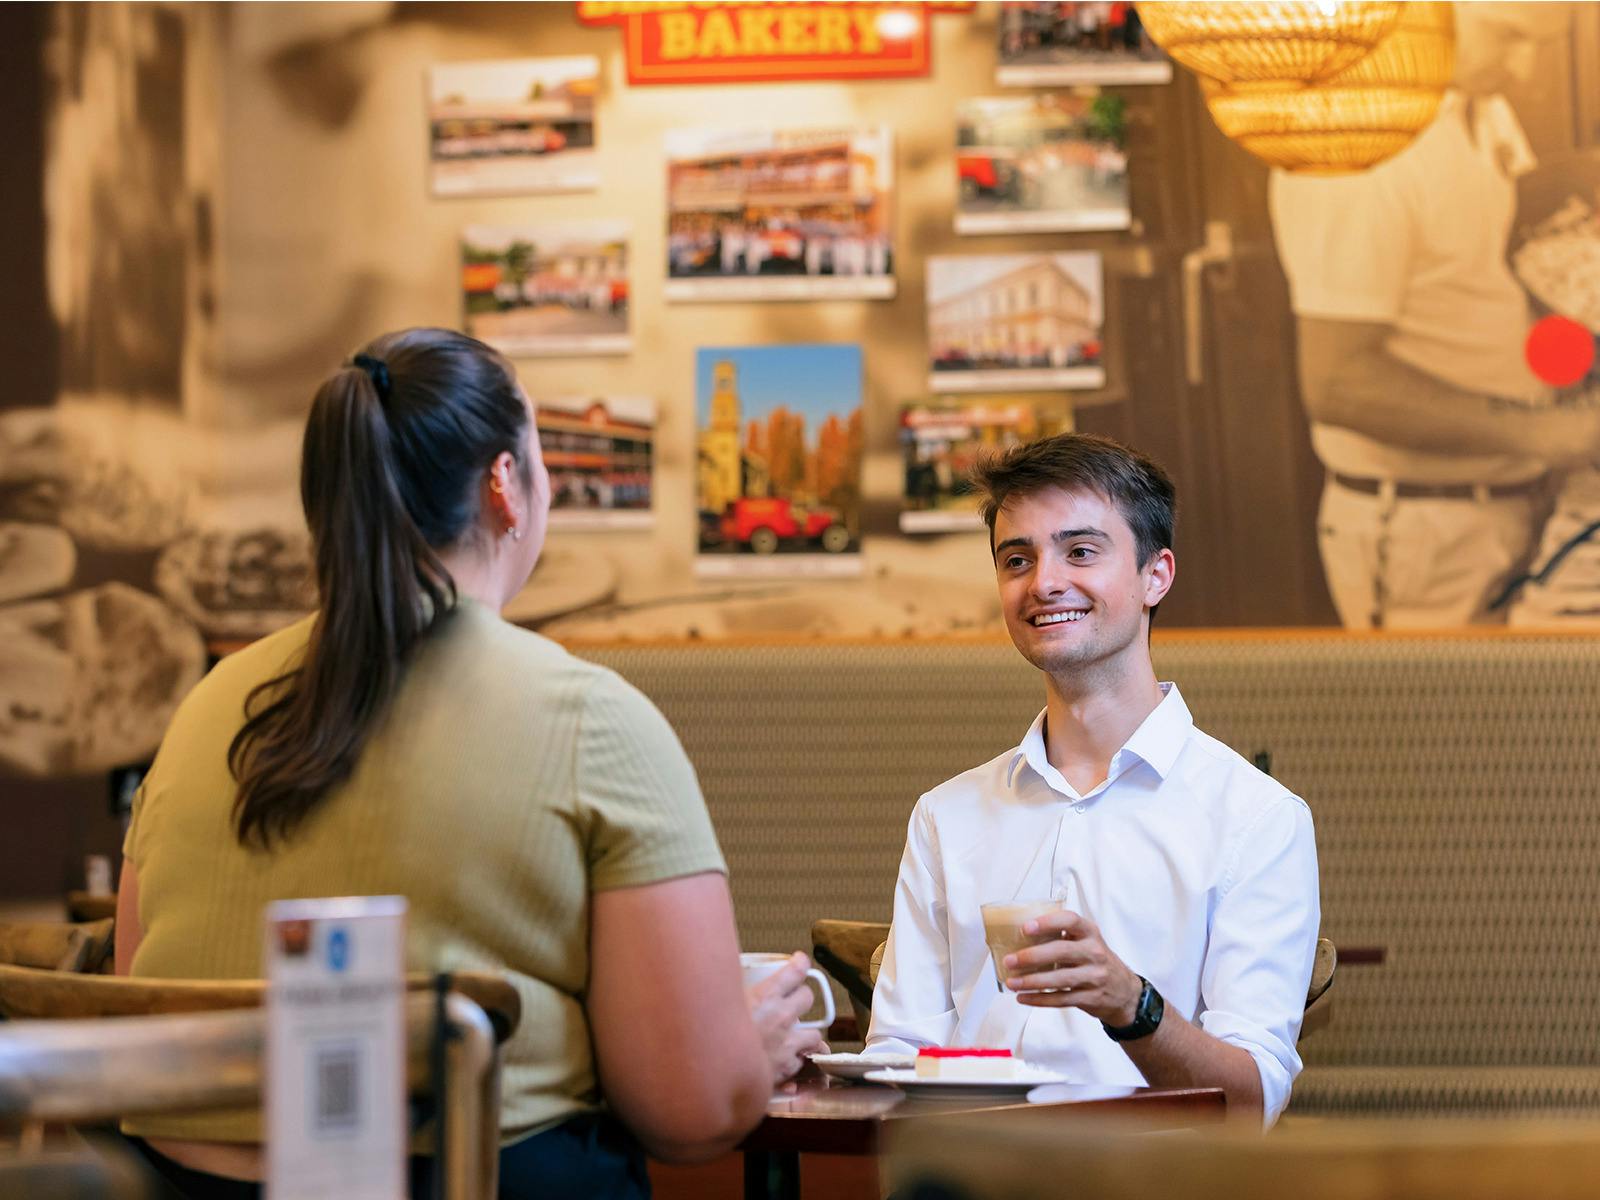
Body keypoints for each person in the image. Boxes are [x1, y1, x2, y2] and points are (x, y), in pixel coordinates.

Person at [115, 327, 825, 1198]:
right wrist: (741, 1053)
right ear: (504, 485)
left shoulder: (207, 708)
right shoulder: (590, 719)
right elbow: (691, 1115)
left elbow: (133, 1005)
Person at [864, 433, 1319, 1126]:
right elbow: (902, 1058)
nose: (1044, 582)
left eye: (1079, 551)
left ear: (1155, 576)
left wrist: (1130, 1004)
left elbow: (1249, 1101)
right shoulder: (945, 815)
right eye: (1017, 559)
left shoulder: (1256, 817)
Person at [1268, 2, 1600, 629]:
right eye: (1509, 39)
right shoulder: (1356, 146)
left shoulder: (1479, 102)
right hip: (1427, 527)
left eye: (1540, 47)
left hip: (1516, 503)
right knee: (1446, 725)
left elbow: (1484, 271)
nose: (1524, 71)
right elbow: (1340, 385)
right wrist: (1550, 435)